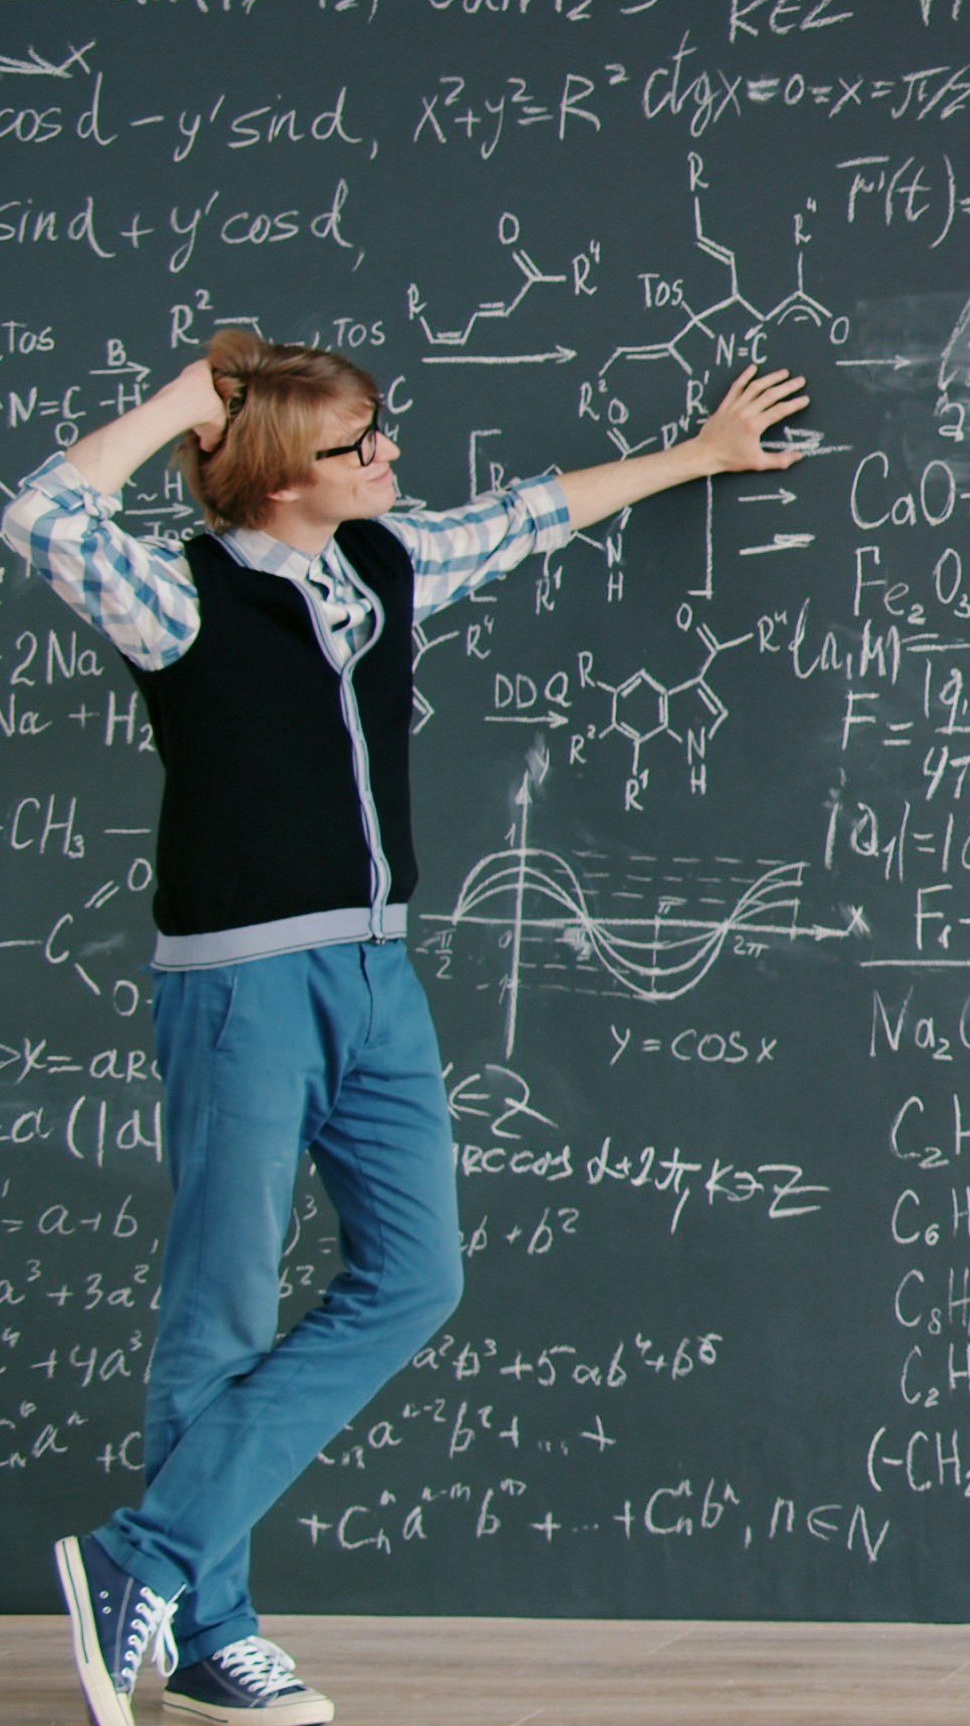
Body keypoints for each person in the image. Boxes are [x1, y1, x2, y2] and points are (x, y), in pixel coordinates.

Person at [2, 333, 811, 1726]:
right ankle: (209, 1629)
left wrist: (702, 455)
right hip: (241, 986)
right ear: (273, 482)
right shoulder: (175, 601)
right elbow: (37, 514)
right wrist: (183, 405)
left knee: (416, 1278)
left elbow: (536, 511)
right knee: (224, 1310)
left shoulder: (382, 566)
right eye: (357, 444)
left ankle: (142, 1558)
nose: (388, 457)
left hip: (379, 983)